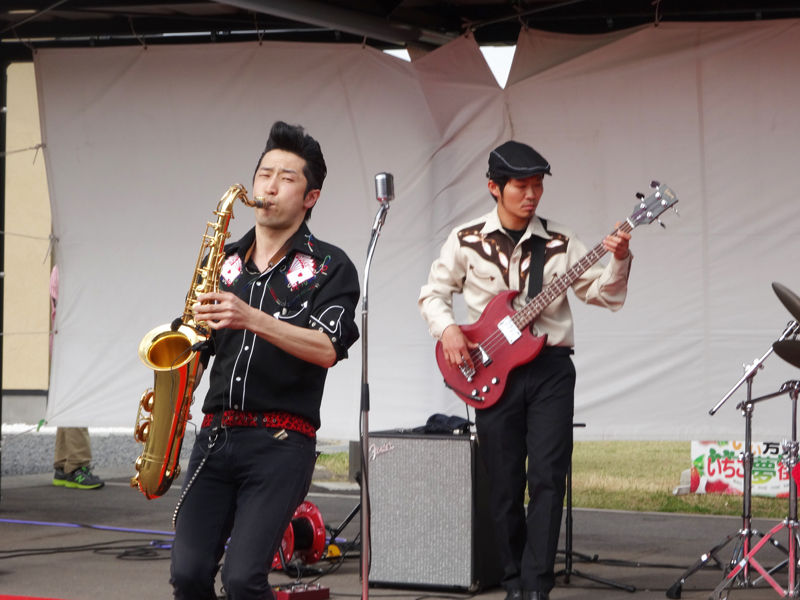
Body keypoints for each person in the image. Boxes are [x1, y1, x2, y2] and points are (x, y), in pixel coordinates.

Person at [418, 140, 632, 600]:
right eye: (521, 186)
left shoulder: (561, 241)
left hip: (550, 368)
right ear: (494, 187)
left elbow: (605, 295)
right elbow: (433, 294)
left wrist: (619, 256)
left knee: (549, 477)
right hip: (490, 369)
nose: (532, 194)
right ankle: (513, 581)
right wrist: (449, 330)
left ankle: (537, 586)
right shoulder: (465, 239)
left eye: (537, 185)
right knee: (504, 483)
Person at [169, 121, 360, 600]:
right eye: (264, 175)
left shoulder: (331, 266)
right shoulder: (223, 262)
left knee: (242, 579)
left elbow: (327, 348)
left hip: (281, 443)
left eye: (286, 178)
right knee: (188, 574)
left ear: (310, 197)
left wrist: (252, 318)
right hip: (215, 436)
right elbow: (194, 341)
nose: (269, 187)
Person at [49, 265, 104, 490]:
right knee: (76, 403)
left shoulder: (61, 268)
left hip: (65, 344)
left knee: (67, 402)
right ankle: (77, 466)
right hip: (71, 345)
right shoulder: (71, 268)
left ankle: (64, 466)